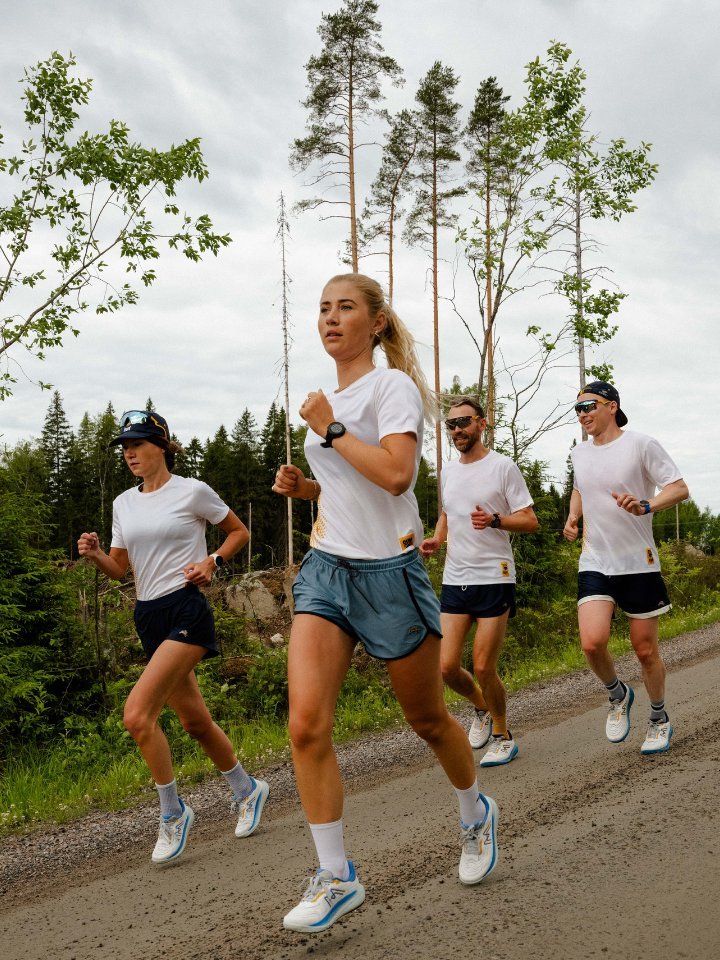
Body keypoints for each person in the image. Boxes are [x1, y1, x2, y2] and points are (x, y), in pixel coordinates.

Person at [272, 274, 499, 934]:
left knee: (428, 720)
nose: (330, 318)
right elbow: (352, 482)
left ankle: (476, 815)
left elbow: (397, 475)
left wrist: (330, 428)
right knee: (307, 724)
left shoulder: (390, 387)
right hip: (327, 571)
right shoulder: (333, 401)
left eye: (345, 307)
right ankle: (337, 875)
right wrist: (308, 486)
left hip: (390, 575)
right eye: (323, 308)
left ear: (375, 323)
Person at [78, 409, 269, 864]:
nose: (129, 453)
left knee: (137, 715)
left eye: (138, 444)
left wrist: (212, 563)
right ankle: (247, 788)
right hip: (148, 615)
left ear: (161, 446)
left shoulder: (192, 491)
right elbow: (121, 569)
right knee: (194, 722)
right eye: (124, 447)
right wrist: (96, 554)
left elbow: (238, 532)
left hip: (186, 608)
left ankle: (172, 813)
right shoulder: (124, 503)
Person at [562, 382, 688, 754]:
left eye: (589, 406)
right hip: (596, 559)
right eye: (578, 408)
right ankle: (618, 694)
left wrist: (646, 505)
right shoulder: (579, 454)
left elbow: (678, 488)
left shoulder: (640, 444)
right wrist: (573, 517)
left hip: (638, 562)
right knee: (592, 642)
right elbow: (581, 488)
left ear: (611, 406)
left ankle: (659, 718)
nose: (583, 413)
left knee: (645, 650)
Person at [421, 397, 538, 767]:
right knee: (446, 667)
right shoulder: (448, 473)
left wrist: (496, 521)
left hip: (494, 575)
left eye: (464, 422)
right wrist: (437, 539)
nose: (457, 430)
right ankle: (481, 707)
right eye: (451, 424)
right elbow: (446, 513)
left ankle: (504, 735)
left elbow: (530, 520)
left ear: (482, 424)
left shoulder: (503, 467)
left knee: (484, 666)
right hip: (456, 578)